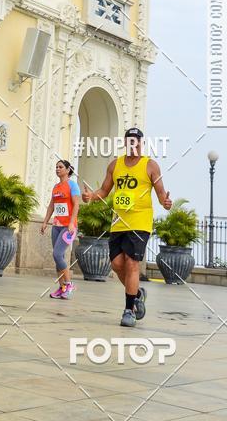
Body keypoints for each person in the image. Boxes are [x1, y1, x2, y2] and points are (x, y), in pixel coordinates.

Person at [82, 127, 172, 327]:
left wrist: (166, 202)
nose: (133, 146)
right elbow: (105, 190)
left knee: (132, 263)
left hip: (140, 222)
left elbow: (160, 194)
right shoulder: (115, 165)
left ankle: (129, 310)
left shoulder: (150, 166)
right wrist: (91, 197)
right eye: (130, 142)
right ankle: (137, 293)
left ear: (141, 144)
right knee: (116, 264)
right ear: (126, 143)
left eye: (137, 142)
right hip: (118, 222)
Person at [41, 159, 80, 299]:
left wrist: (71, 223)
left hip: (68, 227)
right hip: (56, 226)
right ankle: (62, 288)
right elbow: (52, 206)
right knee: (59, 258)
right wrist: (45, 221)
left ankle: (69, 284)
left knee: (57, 254)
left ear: (68, 169)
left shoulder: (73, 185)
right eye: (56, 167)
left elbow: (76, 205)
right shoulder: (56, 187)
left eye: (60, 167)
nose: (57, 169)